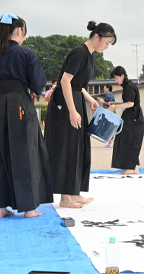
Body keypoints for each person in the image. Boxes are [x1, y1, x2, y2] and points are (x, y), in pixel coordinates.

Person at [0, 13, 53, 219]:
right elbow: (37, 85)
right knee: (25, 152)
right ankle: (28, 208)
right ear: (19, 31)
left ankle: (1, 208)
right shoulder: (27, 54)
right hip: (20, 106)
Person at [46, 21, 115, 209]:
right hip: (64, 104)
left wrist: (90, 99)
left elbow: (79, 85)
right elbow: (65, 81)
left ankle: (74, 191)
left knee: (79, 147)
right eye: (107, 42)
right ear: (96, 37)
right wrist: (72, 110)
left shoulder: (91, 56)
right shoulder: (79, 52)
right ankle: (65, 197)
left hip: (76, 99)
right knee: (67, 148)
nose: (107, 47)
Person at [107, 67, 144, 175]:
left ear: (123, 76)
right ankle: (134, 168)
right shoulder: (128, 86)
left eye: (117, 78)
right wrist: (114, 104)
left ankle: (129, 168)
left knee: (128, 141)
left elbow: (130, 104)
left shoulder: (129, 86)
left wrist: (115, 106)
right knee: (130, 141)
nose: (116, 81)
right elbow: (128, 102)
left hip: (133, 118)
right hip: (132, 117)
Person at [99, 83, 115, 148]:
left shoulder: (110, 95)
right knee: (108, 127)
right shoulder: (109, 95)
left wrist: (103, 102)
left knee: (109, 127)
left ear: (108, 88)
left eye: (105, 88)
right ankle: (110, 142)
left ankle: (111, 141)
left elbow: (111, 103)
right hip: (109, 112)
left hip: (109, 112)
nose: (104, 89)